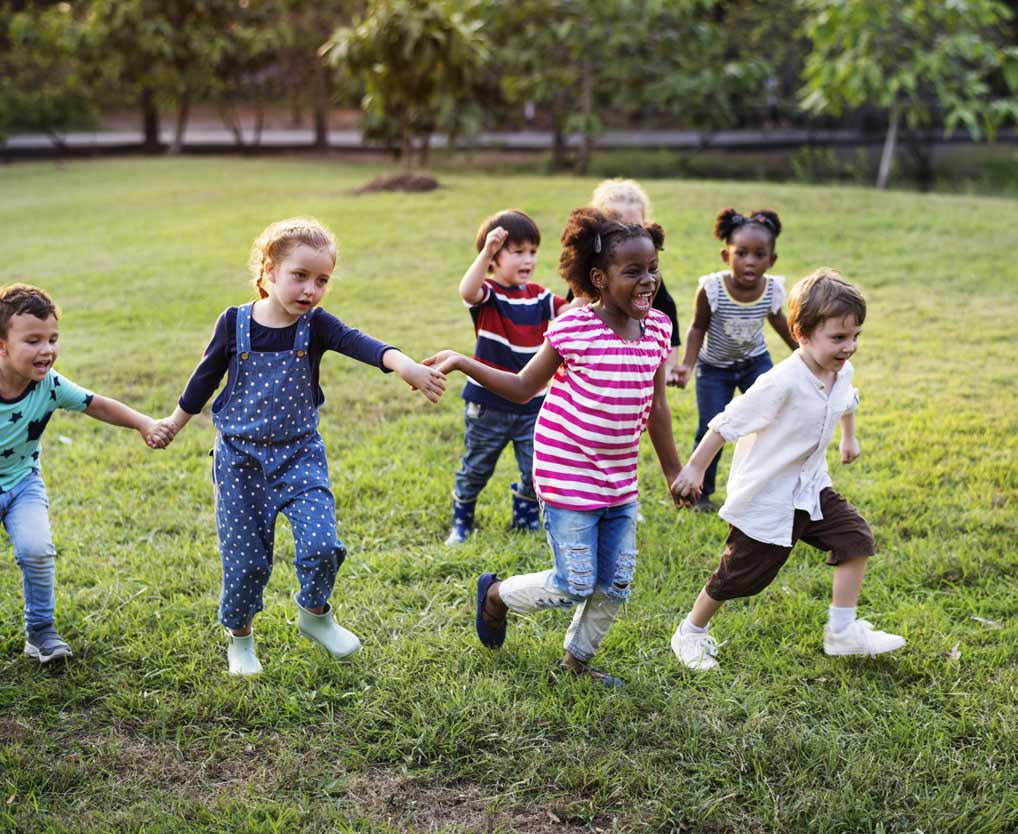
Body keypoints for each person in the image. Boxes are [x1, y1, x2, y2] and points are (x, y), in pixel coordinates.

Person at [155, 218, 446, 675]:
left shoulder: (317, 326)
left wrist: (405, 365)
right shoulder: (234, 324)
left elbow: (361, 343)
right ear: (269, 271)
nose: (311, 289)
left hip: (299, 456)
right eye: (300, 276)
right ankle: (240, 639)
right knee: (247, 563)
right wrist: (175, 422)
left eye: (322, 280)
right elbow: (204, 377)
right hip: (241, 463)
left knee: (322, 545)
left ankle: (315, 613)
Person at [427, 208, 686, 687]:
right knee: (575, 584)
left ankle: (575, 665)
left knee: (617, 584)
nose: (648, 280)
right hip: (566, 474)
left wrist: (674, 472)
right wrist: (464, 362)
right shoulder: (575, 329)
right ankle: (496, 596)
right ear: (598, 278)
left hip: (619, 481)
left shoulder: (657, 330)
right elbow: (525, 387)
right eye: (633, 271)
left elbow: (657, 407)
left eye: (653, 268)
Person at [669, 268, 905, 671]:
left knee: (855, 538)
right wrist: (693, 470)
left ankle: (842, 632)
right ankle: (690, 632)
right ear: (801, 334)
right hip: (770, 496)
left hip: (811, 488)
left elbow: (847, 399)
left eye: (855, 336)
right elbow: (726, 423)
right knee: (740, 576)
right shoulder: (781, 383)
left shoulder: (838, 369)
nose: (849, 347)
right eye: (838, 338)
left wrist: (849, 438)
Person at [0, 284, 171, 663]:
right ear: (2, 345)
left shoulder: (50, 384)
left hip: (22, 483)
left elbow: (98, 406)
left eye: (52, 339)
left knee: (37, 550)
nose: (46, 350)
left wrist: (144, 423)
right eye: (32, 340)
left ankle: (41, 632)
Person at [445, 210, 568, 545]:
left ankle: (525, 519)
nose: (527, 259)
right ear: (494, 259)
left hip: (533, 404)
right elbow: (466, 291)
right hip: (488, 405)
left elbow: (574, 312)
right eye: (517, 252)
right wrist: (485, 250)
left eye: (532, 251)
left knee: (535, 469)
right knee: (476, 468)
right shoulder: (489, 294)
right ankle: (462, 522)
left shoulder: (541, 297)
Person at [674, 208, 799, 512]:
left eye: (760, 254)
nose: (750, 261)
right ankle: (700, 491)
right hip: (714, 369)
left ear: (772, 260)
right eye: (741, 253)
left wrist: (805, 353)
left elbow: (780, 324)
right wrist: (687, 365)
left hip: (754, 363)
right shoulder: (712, 289)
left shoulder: (771, 290)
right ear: (725, 255)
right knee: (711, 427)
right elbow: (697, 328)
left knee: (772, 420)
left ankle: (768, 486)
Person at [590, 179, 681, 384]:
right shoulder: (591, 272)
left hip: (638, 363)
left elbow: (668, 314)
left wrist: (669, 366)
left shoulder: (645, 275)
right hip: (599, 363)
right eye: (618, 227)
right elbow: (571, 313)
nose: (627, 235)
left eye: (635, 227)